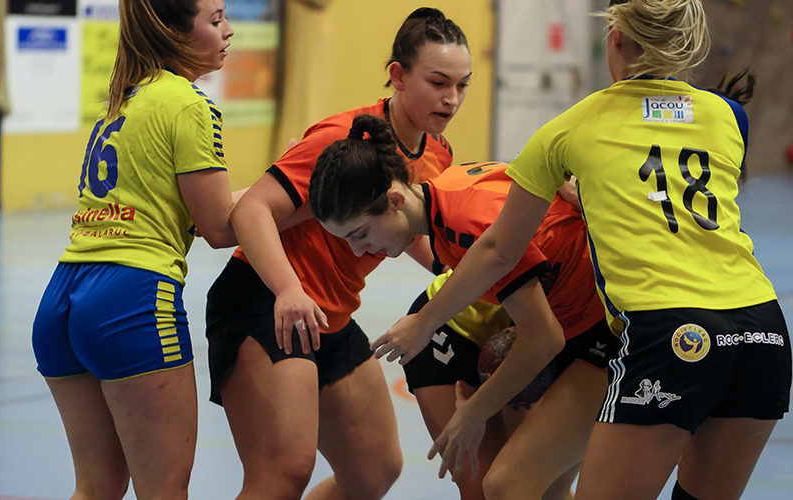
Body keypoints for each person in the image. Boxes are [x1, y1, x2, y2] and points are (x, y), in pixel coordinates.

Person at [373, 1, 792, 499]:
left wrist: (423, 322)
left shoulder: (570, 129)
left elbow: (497, 252)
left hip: (670, 332)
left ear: (614, 39)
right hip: (764, 333)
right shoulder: (729, 115)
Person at [204, 8, 472, 499]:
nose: (451, 99)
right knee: (282, 473)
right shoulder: (342, 140)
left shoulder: (438, 155)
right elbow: (250, 212)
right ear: (398, 75)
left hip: (331, 314)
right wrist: (288, 289)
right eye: (438, 82)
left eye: (462, 85)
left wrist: (480, 276)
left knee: (375, 469)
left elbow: (412, 232)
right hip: (266, 302)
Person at [309, 114, 620, 500]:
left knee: (505, 486)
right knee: (546, 491)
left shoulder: (463, 225)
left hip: (608, 333)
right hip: (582, 324)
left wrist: (474, 414)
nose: (358, 250)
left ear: (394, 200)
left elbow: (543, 338)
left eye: (359, 234)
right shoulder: (448, 190)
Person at [31, 0, 236, 498]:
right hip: (131, 298)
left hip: (62, 298)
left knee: (96, 487)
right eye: (215, 20)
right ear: (173, 31)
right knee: (164, 489)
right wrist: (299, 191)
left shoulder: (127, 97)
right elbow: (220, 226)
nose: (229, 31)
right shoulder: (190, 103)